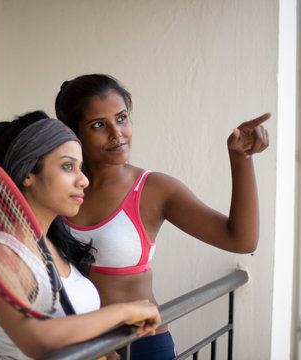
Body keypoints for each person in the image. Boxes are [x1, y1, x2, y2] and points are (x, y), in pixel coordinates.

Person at [54, 74, 270, 359]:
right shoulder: (58, 188)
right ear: (74, 133)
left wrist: (241, 159)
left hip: (141, 345)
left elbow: (242, 240)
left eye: (121, 118)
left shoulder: (154, 190)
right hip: (77, 347)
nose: (116, 133)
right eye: (98, 125)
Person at [0, 111, 162, 360]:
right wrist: (126, 311)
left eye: (80, 167)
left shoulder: (54, 246)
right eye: (67, 166)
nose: (83, 179)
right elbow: (37, 341)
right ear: (28, 173)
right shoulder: (0, 254)